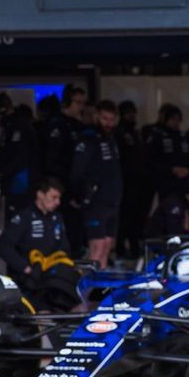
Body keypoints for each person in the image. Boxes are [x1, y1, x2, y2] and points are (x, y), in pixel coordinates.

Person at [0, 178, 77, 311]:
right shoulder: (24, 217)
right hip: (28, 279)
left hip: (52, 277)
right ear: (40, 194)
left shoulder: (56, 218)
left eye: (59, 198)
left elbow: (64, 248)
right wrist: (25, 268)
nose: (58, 202)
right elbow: (3, 247)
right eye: (54, 197)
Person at [69, 100, 123, 269]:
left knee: (107, 245)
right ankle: (89, 284)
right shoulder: (87, 139)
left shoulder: (111, 139)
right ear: (96, 117)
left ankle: (100, 282)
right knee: (97, 247)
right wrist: (77, 195)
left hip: (112, 200)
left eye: (112, 119)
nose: (108, 123)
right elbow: (77, 171)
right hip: (95, 201)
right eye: (104, 119)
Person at [43, 85, 89, 254]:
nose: (81, 107)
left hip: (78, 186)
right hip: (62, 187)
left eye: (83, 103)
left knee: (77, 229)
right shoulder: (57, 125)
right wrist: (67, 189)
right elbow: (52, 161)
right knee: (64, 228)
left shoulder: (80, 126)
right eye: (78, 102)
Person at [145, 103, 189, 236]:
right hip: (166, 184)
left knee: (185, 213)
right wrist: (171, 170)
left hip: (184, 184)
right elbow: (151, 161)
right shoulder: (157, 137)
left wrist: (188, 170)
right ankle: (169, 239)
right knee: (169, 214)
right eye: (173, 119)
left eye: (178, 119)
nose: (176, 122)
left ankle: (185, 238)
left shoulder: (184, 138)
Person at [0, 92, 39, 220]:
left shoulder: (18, 127)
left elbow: (19, 159)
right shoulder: (9, 127)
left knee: (18, 222)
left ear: (2, 109)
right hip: (15, 185)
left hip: (19, 186)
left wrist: (0, 173)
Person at [115, 100, 152, 261]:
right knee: (125, 217)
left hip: (139, 181)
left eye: (132, 112)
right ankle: (120, 248)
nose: (131, 116)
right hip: (126, 182)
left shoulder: (136, 133)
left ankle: (134, 246)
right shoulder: (118, 133)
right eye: (128, 113)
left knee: (137, 217)